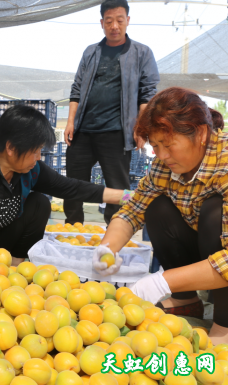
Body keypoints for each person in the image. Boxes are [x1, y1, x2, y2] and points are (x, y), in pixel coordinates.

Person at [0, 104, 132, 267]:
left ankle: (17, 265)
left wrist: (128, 197)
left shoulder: (28, 169)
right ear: (10, 147)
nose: (38, 157)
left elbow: (71, 187)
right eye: (35, 150)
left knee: (38, 203)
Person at [95, 87, 228, 343]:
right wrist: (107, 249)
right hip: (204, 254)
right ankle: (185, 300)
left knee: (213, 212)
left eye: (168, 145)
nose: (163, 156)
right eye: (156, 146)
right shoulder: (162, 167)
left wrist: (159, 282)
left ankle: (224, 324)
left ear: (200, 133)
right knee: (157, 207)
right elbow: (133, 211)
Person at [63, 0, 160, 225]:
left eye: (119, 20)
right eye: (109, 21)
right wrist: (70, 122)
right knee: (73, 184)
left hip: (117, 133)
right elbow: (76, 88)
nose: (114, 25)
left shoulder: (142, 53)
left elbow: (147, 94)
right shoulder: (91, 52)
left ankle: (116, 226)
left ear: (128, 20)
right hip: (83, 131)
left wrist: (140, 128)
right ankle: (72, 225)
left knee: (120, 186)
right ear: (101, 23)